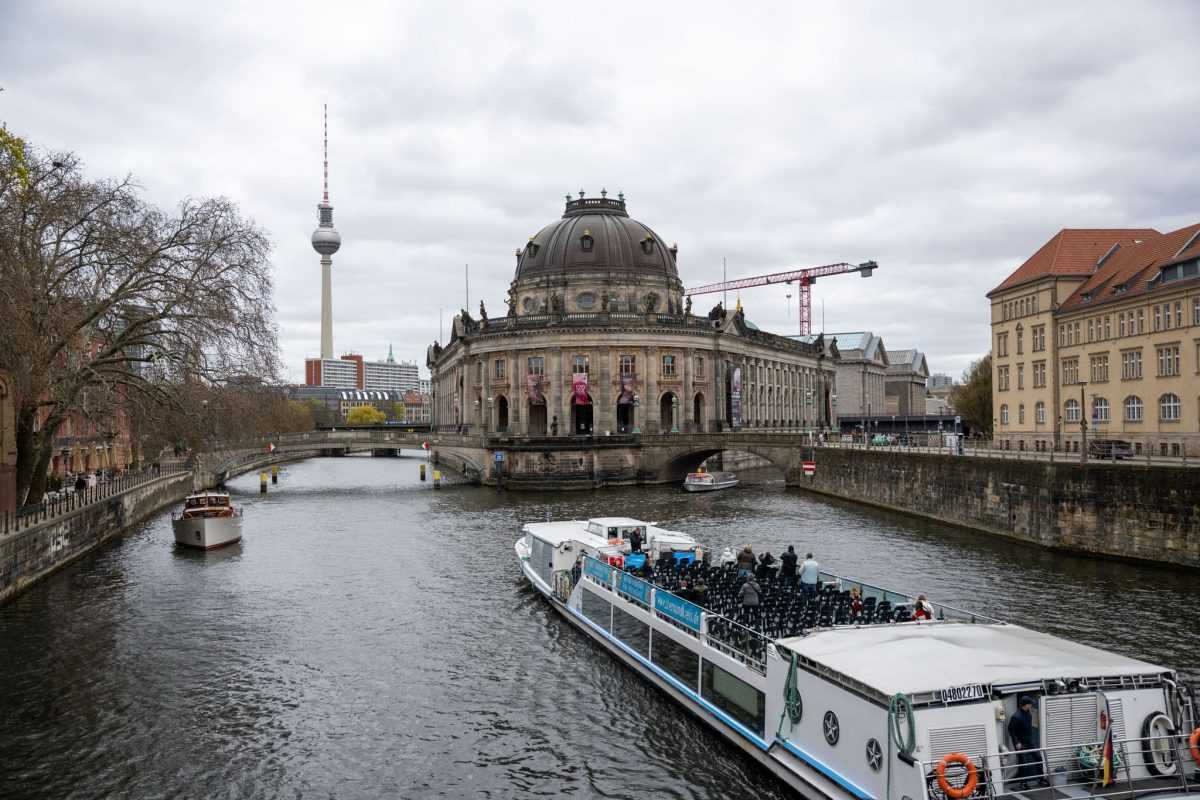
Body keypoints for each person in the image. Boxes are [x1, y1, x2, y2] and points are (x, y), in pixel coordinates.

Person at [1007, 696, 1046, 789]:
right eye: (1030, 704)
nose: (1031, 705)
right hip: (1021, 744)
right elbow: (1011, 730)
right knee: (1023, 763)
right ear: (1026, 705)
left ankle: (1041, 779)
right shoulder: (1016, 717)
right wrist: (1016, 742)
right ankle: (1023, 783)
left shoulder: (1028, 712)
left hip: (1029, 741)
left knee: (1038, 757)